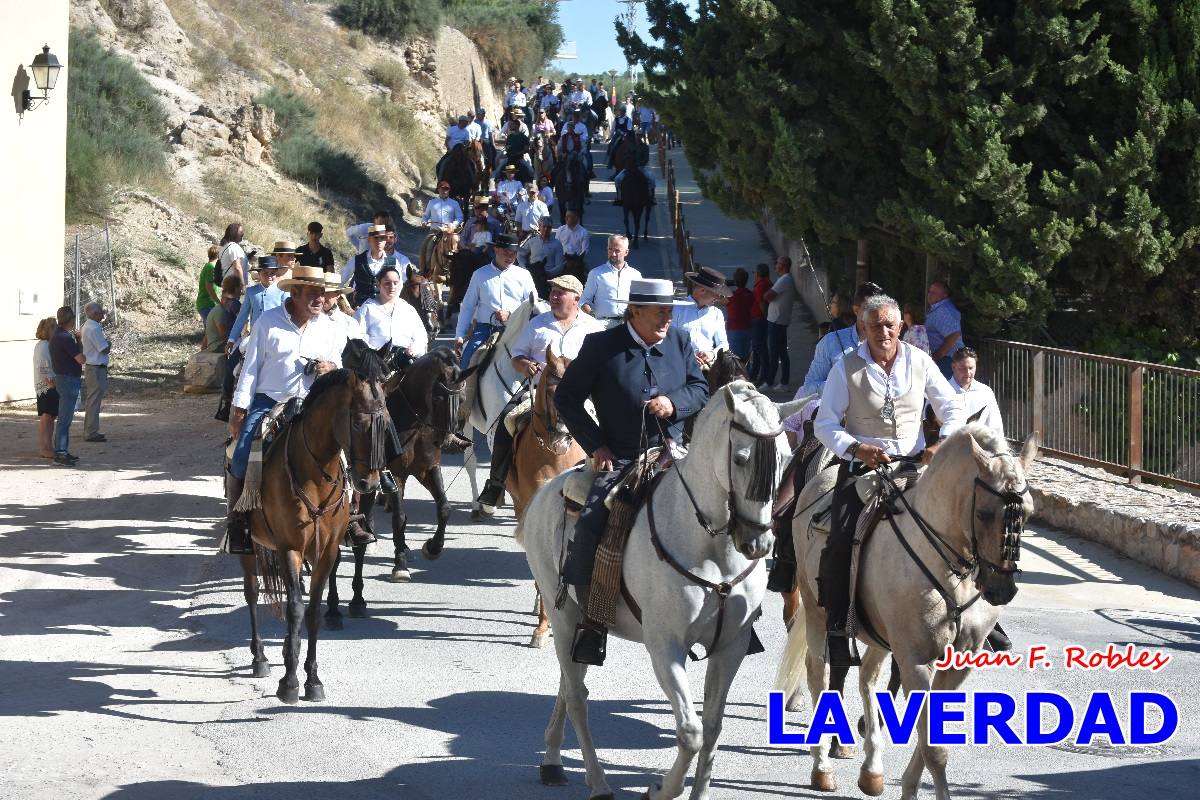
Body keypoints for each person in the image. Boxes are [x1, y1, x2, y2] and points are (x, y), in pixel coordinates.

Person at [554, 277, 710, 665]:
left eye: (670, 312)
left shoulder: (680, 341)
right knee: (596, 520)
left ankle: (734, 612)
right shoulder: (600, 347)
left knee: (718, 507)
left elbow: (700, 389)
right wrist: (596, 446)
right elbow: (567, 399)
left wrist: (674, 403)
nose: (668, 319)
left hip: (676, 453)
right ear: (635, 312)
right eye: (660, 312)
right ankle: (592, 617)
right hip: (622, 456)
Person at [813, 294, 965, 666]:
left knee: (964, 522)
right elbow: (825, 424)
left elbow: (952, 407)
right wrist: (855, 448)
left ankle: (979, 616)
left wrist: (942, 443)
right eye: (875, 325)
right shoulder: (844, 367)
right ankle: (837, 622)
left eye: (890, 324)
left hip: (915, 467)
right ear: (863, 327)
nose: (883, 331)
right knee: (840, 536)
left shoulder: (920, 362)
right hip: (865, 467)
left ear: (901, 327)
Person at [224, 266, 351, 553]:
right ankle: (238, 521)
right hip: (270, 401)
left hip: (315, 404)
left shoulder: (330, 328)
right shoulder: (268, 323)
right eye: (313, 293)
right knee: (242, 452)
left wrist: (330, 367)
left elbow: (340, 369)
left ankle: (352, 516)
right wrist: (239, 409)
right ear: (295, 293)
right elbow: (250, 369)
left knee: (352, 449)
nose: (320, 298)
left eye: (322, 293)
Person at [476, 274, 604, 512]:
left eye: (560, 292)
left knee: (608, 425)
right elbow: (517, 355)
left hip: (583, 396)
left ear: (576, 298)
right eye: (553, 292)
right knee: (506, 421)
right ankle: (496, 484)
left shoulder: (593, 328)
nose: (553, 297)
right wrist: (525, 365)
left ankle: (609, 478)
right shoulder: (537, 324)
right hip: (538, 392)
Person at [454, 232, 537, 368]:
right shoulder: (480, 274)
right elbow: (468, 306)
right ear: (496, 250)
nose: (510, 257)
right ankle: (464, 389)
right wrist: (460, 335)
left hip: (517, 328)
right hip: (486, 329)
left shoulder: (524, 275)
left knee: (537, 361)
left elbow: (533, 305)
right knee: (466, 360)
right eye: (506, 252)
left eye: (513, 253)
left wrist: (511, 315)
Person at [353, 264, 428, 358]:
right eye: (387, 283)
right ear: (378, 284)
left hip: (406, 361)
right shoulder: (368, 309)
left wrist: (413, 349)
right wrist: (374, 351)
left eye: (395, 283)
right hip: (376, 362)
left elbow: (421, 337)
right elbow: (356, 336)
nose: (392, 286)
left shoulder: (408, 309)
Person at [230, 244, 293, 346]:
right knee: (237, 359)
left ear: (276, 273)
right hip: (255, 337)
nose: (269, 276)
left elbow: (288, 315)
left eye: (272, 273)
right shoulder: (251, 291)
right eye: (265, 273)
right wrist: (232, 339)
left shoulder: (282, 292)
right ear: (259, 274)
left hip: (275, 338)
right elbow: (242, 316)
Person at [49, 306, 86, 466]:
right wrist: (79, 340)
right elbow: (81, 359)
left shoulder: (56, 335)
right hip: (68, 379)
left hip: (62, 378)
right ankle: (60, 453)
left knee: (65, 418)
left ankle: (62, 451)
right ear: (70, 320)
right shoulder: (65, 338)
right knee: (65, 419)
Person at [672, 266, 730, 366]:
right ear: (702, 290)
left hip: (709, 367)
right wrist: (688, 356)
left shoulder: (717, 313)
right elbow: (669, 341)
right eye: (717, 294)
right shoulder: (676, 309)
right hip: (682, 365)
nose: (718, 298)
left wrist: (712, 354)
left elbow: (723, 344)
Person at [580, 234, 640, 327]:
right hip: (602, 325)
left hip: (628, 325)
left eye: (617, 250)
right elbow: (584, 301)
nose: (613, 254)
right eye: (610, 249)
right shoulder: (596, 273)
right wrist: (593, 317)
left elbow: (639, 302)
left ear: (626, 252)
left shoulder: (635, 275)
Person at [341, 225, 402, 308]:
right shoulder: (356, 260)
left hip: (384, 309)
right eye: (376, 238)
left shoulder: (394, 263)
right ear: (369, 239)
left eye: (382, 238)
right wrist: (346, 307)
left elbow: (398, 288)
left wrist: (391, 306)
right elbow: (339, 283)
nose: (379, 242)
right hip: (359, 309)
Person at [760, 256, 796, 391]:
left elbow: (767, 296)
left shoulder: (785, 279)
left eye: (777, 263)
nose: (775, 265)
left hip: (776, 321)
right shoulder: (784, 279)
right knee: (781, 352)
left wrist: (766, 296)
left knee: (775, 353)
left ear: (783, 265)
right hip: (779, 320)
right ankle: (783, 382)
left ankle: (770, 382)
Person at [950, 347, 1004, 437]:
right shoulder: (941, 391)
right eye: (962, 368)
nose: (967, 372)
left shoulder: (985, 392)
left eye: (971, 368)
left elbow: (996, 428)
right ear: (953, 367)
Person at [80, 301, 111, 443]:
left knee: (92, 400)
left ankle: (90, 429)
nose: (103, 315)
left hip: (92, 367)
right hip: (96, 368)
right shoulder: (94, 328)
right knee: (93, 401)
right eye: (101, 312)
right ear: (94, 313)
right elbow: (104, 348)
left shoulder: (88, 326)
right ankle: (91, 432)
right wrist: (109, 343)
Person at [926, 280, 964, 378]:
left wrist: (937, 355)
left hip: (947, 360)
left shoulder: (945, 310)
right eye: (929, 291)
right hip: (945, 359)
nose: (930, 295)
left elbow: (954, 334)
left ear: (944, 295)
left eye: (934, 292)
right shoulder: (938, 308)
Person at [522, 215, 566, 298]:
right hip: (532, 275)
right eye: (544, 226)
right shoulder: (532, 241)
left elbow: (560, 265)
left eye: (549, 227)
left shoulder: (557, 244)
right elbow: (520, 254)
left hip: (549, 278)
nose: (546, 229)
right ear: (539, 227)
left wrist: (547, 273)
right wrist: (524, 268)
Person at [33, 317, 58, 459]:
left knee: (50, 416)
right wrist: (51, 382)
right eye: (53, 327)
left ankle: (48, 446)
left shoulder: (46, 344)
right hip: (46, 386)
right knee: (47, 416)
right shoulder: (43, 345)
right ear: (47, 330)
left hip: (50, 384)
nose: (56, 329)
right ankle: (44, 447)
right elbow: (42, 367)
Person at [747, 264, 772, 384]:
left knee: (760, 348)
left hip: (759, 320)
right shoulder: (767, 283)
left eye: (755, 273)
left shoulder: (760, 286)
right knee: (757, 348)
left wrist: (764, 317)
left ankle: (763, 376)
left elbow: (762, 303)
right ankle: (754, 374)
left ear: (758, 274)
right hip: (760, 319)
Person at [725, 268, 754, 360]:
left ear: (735, 281)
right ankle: (747, 373)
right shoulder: (750, 294)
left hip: (735, 329)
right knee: (746, 356)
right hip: (747, 327)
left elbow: (720, 300)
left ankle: (738, 374)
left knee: (735, 358)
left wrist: (725, 287)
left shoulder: (732, 296)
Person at [556, 209, 590, 282]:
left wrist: (577, 259)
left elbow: (585, 249)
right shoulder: (560, 230)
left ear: (576, 218)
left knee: (588, 274)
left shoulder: (583, 232)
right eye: (566, 216)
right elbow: (556, 246)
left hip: (576, 260)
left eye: (569, 216)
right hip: (562, 259)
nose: (566, 218)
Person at [204, 280, 237, 354]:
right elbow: (223, 334)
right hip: (218, 346)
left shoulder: (219, 309)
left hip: (214, 345)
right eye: (225, 299)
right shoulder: (221, 311)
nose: (226, 301)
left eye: (229, 299)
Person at [196, 245, 221, 323]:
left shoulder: (211, 266)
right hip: (207, 304)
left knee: (210, 332)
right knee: (213, 331)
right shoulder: (211, 267)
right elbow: (209, 287)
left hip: (208, 304)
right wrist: (219, 302)